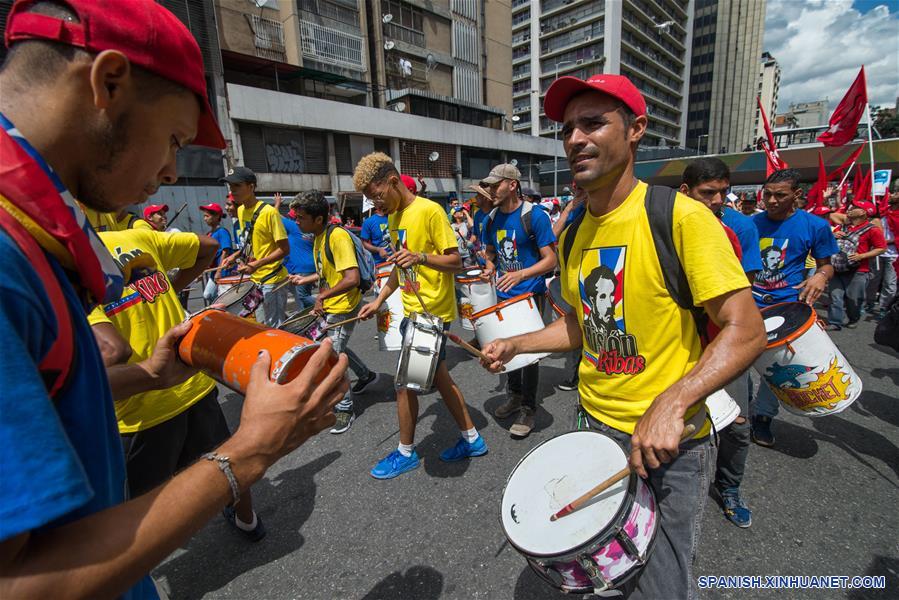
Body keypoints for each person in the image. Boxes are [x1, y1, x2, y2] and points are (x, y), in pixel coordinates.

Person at [0, 1, 347, 597]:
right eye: (172, 139)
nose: (168, 171)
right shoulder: (8, 259)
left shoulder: (31, 232)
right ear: (109, 83)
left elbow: (45, 389)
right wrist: (250, 449)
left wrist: (147, 375)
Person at [480, 73, 765, 599]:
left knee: (661, 584)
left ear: (635, 130)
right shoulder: (574, 233)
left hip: (671, 443)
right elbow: (582, 324)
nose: (574, 139)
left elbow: (746, 330)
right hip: (594, 429)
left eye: (593, 123)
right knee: (602, 574)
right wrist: (518, 345)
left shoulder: (679, 217)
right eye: (567, 128)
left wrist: (674, 401)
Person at [89, 227, 266, 541]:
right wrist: (170, 288)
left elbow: (112, 351)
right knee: (226, 463)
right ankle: (248, 521)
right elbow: (208, 246)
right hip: (190, 380)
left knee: (140, 508)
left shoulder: (66, 269)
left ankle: (138, 566)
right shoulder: (137, 237)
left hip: (139, 406)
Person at [355, 152, 487, 479]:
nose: (376, 204)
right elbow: (401, 269)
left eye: (378, 195)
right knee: (440, 379)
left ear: (393, 181)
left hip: (431, 315)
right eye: (371, 200)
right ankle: (472, 438)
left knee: (404, 385)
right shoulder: (394, 217)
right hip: (411, 311)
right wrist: (381, 300)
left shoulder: (429, 211)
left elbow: (455, 261)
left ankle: (406, 452)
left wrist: (421, 257)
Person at [680, 157, 759, 529]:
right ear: (685, 192)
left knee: (738, 426)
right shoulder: (664, 228)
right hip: (678, 349)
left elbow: (742, 299)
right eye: (707, 192)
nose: (717, 201)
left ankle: (729, 487)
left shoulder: (737, 229)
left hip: (724, 347)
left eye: (723, 193)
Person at [749, 169, 839, 447]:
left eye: (780, 195)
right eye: (767, 194)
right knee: (737, 362)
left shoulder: (815, 226)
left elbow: (826, 265)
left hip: (787, 305)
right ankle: (737, 413)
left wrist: (820, 277)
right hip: (749, 301)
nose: (772, 201)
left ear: (797, 195)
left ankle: (762, 416)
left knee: (778, 364)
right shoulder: (751, 223)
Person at [289, 190, 379, 434]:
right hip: (334, 304)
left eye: (301, 217)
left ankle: (345, 408)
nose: (296, 221)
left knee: (331, 358)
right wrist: (305, 278)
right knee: (334, 345)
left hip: (344, 305)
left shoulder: (337, 236)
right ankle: (365, 374)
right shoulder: (319, 236)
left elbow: (351, 278)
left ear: (318, 219)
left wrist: (322, 296)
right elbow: (330, 271)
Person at [481, 163, 557, 438]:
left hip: (530, 296)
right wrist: (489, 266)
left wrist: (521, 274)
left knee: (530, 354)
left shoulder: (534, 216)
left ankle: (528, 408)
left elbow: (551, 260)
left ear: (512, 185)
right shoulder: (490, 218)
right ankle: (513, 396)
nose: (490, 190)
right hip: (503, 296)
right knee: (506, 349)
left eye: (495, 184)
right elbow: (490, 252)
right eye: (489, 185)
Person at [219, 166, 290, 328]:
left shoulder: (269, 213)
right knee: (262, 324)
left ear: (251, 187)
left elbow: (284, 249)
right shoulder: (242, 210)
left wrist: (256, 264)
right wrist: (235, 256)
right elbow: (250, 243)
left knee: (274, 327)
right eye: (231, 186)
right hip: (255, 279)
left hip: (272, 279)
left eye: (237, 186)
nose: (233, 191)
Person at [826, 205, 886, 330]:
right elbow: (832, 216)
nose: (850, 209)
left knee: (853, 299)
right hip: (837, 267)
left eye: (854, 207)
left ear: (863, 212)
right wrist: (834, 235)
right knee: (835, 296)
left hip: (858, 269)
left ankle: (853, 318)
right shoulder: (843, 225)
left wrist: (862, 256)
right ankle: (835, 322)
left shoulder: (872, 230)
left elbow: (881, 248)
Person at [274, 192, 315, 311]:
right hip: (308, 267)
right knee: (299, 296)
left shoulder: (293, 226)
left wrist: (277, 204)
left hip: (301, 269)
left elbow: (274, 215)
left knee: (303, 296)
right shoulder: (311, 230)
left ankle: (325, 304)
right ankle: (305, 317)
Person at [199, 202, 233, 305]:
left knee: (223, 298)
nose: (205, 219)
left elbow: (225, 251)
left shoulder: (222, 232)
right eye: (204, 216)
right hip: (214, 271)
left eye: (207, 216)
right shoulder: (209, 234)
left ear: (217, 216)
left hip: (223, 271)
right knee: (208, 294)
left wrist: (219, 270)